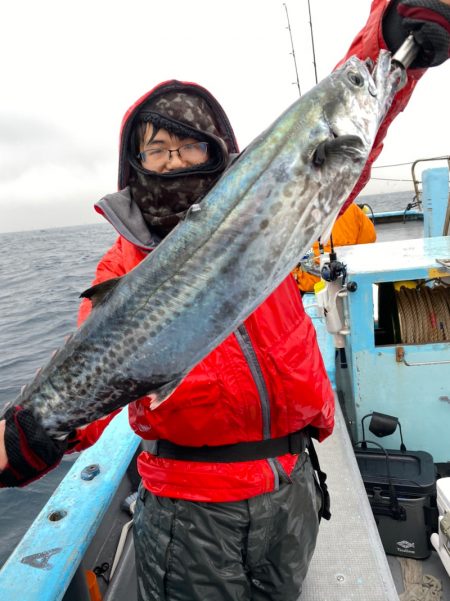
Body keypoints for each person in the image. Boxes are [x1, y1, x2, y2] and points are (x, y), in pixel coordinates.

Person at [1, 1, 450, 599]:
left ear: (217, 152)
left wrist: (392, 40)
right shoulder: (123, 264)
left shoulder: (270, 211)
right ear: (133, 163)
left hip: (290, 491)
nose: (172, 159)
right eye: (156, 149)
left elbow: (338, 135)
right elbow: (94, 364)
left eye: (188, 146)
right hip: (189, 515)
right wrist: (30, 431)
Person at [292, 203, 377, 293]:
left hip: (310, 284)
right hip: (349, 280)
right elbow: (370, 238)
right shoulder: (350, 207)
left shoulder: (297, 213)